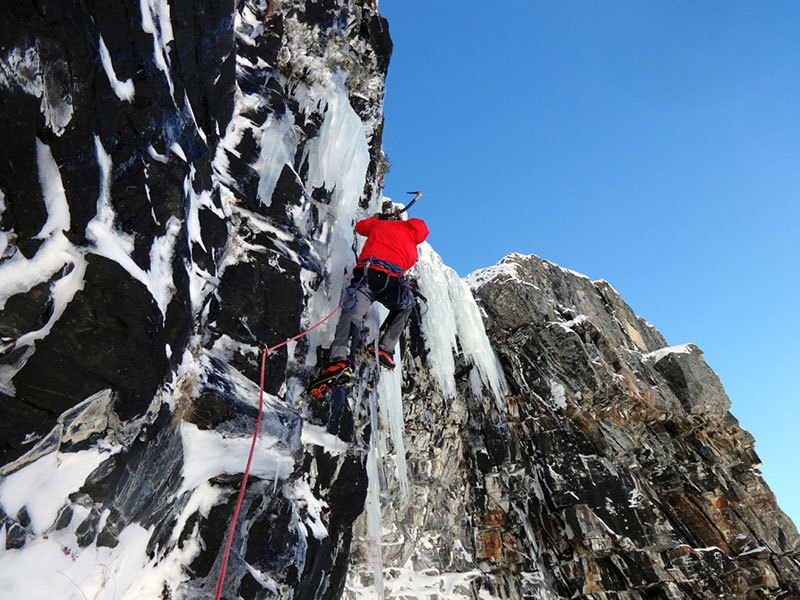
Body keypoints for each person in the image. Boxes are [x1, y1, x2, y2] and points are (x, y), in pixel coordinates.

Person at [308, 201, 429, 398]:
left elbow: (360, 227)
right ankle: (384, 348)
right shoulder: (413, 246)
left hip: (369, 275)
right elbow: (406, 264)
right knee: (405, 307)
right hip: (393, 282)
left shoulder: (385, 224)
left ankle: (340, 359)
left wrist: (379, 218)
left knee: (352, 313)